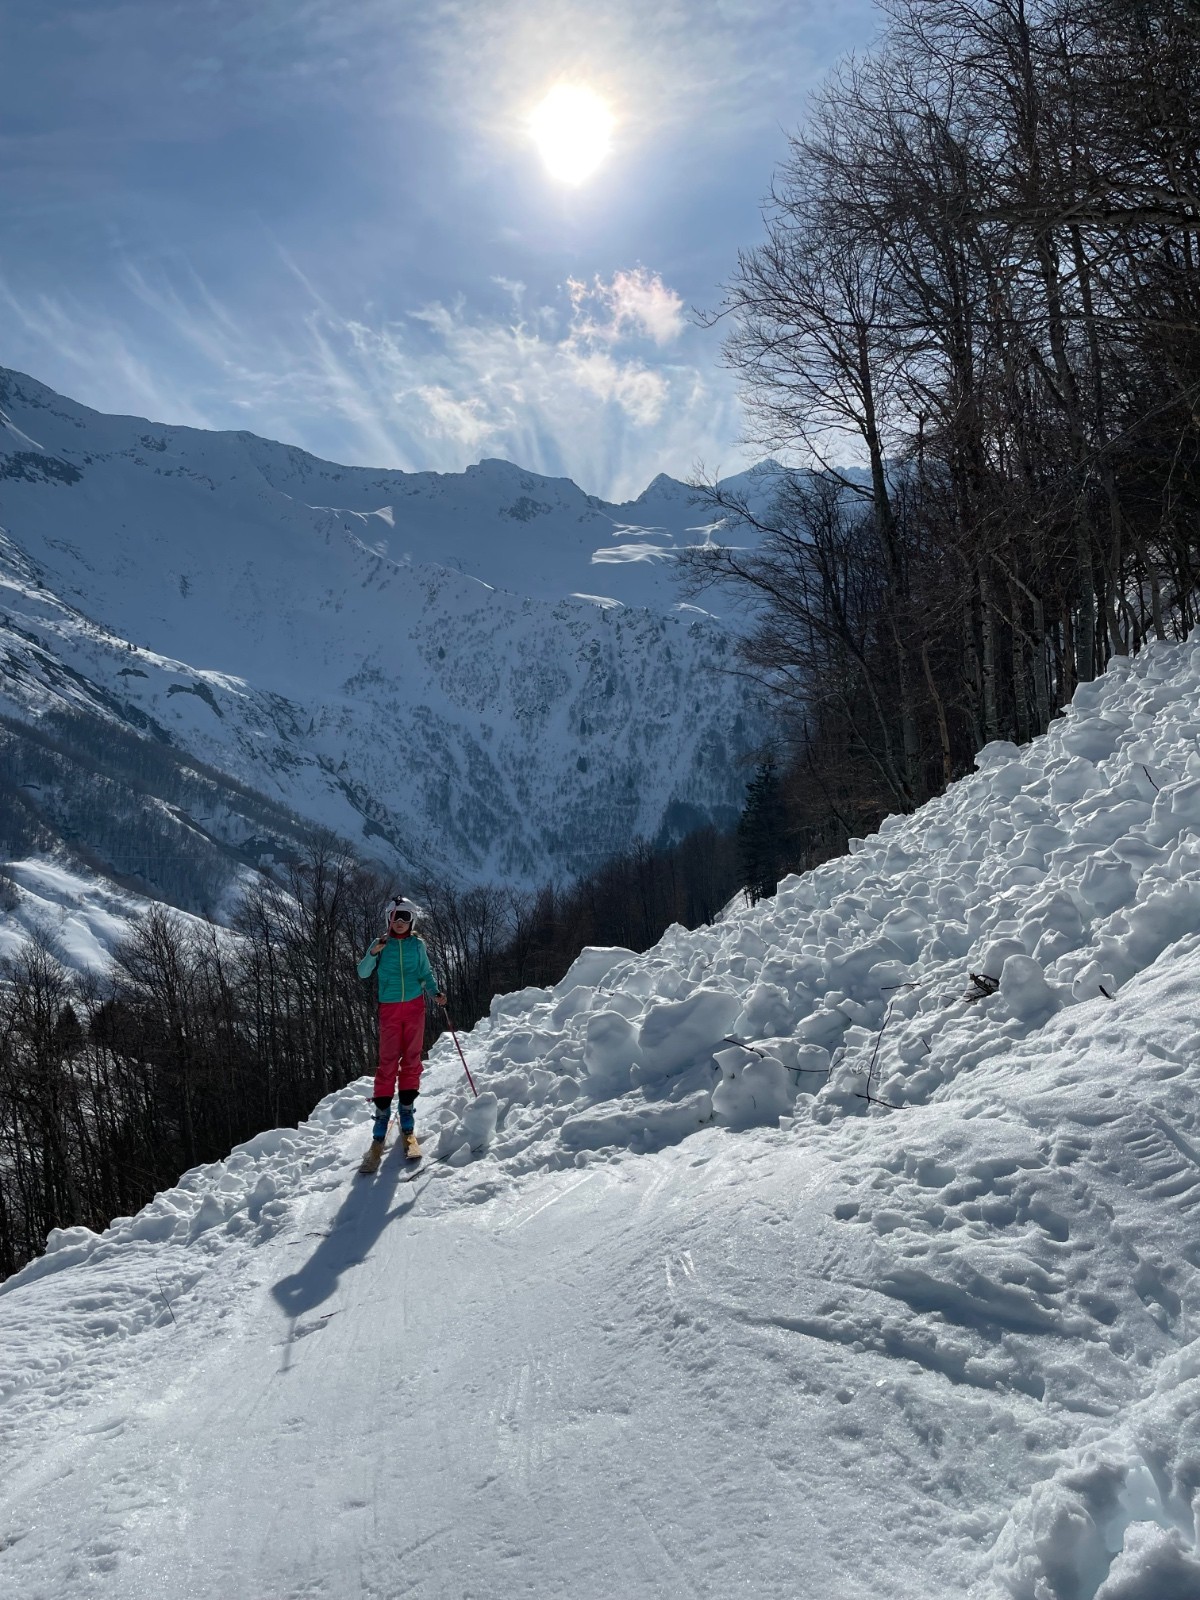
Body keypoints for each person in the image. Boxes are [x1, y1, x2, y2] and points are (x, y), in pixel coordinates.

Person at [357, 896, 446, 1170]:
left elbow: (425, 972)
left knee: (411, 1060)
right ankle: (381, 1120)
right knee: (387, 1063)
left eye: (405, 917)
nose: (399, 922)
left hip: (415, 1007)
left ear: (412, 920)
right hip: (390, 1009)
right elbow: (363, 972)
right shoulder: (380, 944)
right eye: (395, 917)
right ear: (388, 919)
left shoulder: (417, 945)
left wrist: (435, 993)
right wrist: (373, 952)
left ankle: (406, 1116)